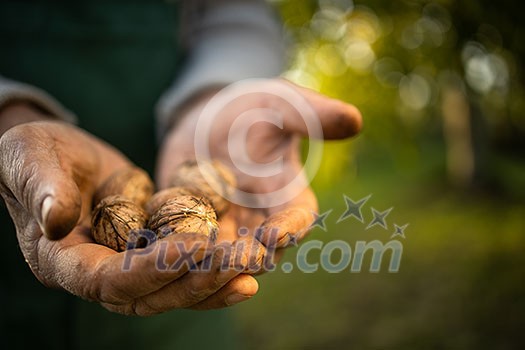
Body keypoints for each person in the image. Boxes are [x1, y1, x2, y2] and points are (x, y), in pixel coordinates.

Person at [0, 0, 362, 348]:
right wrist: (8, 115)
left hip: (182, 309)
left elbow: (238, 12)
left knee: (196, 281)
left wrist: (217, 96)